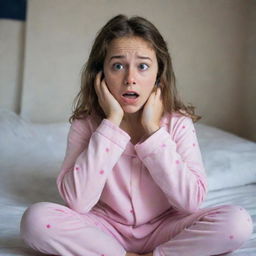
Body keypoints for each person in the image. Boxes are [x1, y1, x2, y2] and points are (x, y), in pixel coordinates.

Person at [20, 14, 253, 256]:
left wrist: (153, 130)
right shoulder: (86, 124)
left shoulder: (177, 122)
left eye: (142, 66)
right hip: (104, 228)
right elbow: (78, 202)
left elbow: (190, 202)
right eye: (118, 66)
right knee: (35, 219)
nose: (130, 79)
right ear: (100, 75)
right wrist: (111, 123)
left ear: (158, 75)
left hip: (165, 227)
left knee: (237, 222)